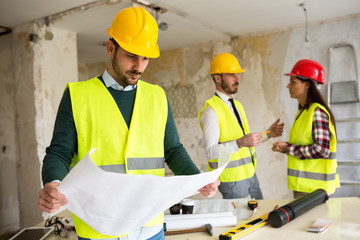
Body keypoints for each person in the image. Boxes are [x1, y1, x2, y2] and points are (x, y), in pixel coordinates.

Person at [37, 6, 219, 240]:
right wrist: (52, 183)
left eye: (145, 58)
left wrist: (197, 179)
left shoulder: (157, 96)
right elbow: (59, 151)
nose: (139, 66)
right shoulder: (77, 95)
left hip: (150, 225)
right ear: (111, 48)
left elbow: (172, 150)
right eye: (131, 56)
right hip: (100, 228)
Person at [198, 52, 284, 200]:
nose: (237, 79)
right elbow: (211, 152)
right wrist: (240, 143)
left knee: (261, 214)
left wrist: (268, 134)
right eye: (232, 75)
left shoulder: (237, 105)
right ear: (218, 78)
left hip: (250, 173)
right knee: (241, 221)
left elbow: (245, 141)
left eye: (237, 75)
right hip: (232, 181)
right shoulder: (211, 111)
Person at [272, 59, 339, 198]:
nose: (288, 86)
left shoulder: (316, 113)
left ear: (307, 85)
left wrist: (287, 148)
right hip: (305, 189)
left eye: (293, 82)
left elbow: (322, 150)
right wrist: (286, 146)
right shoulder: (303, 112)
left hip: (315, 191)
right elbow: (306, 145)